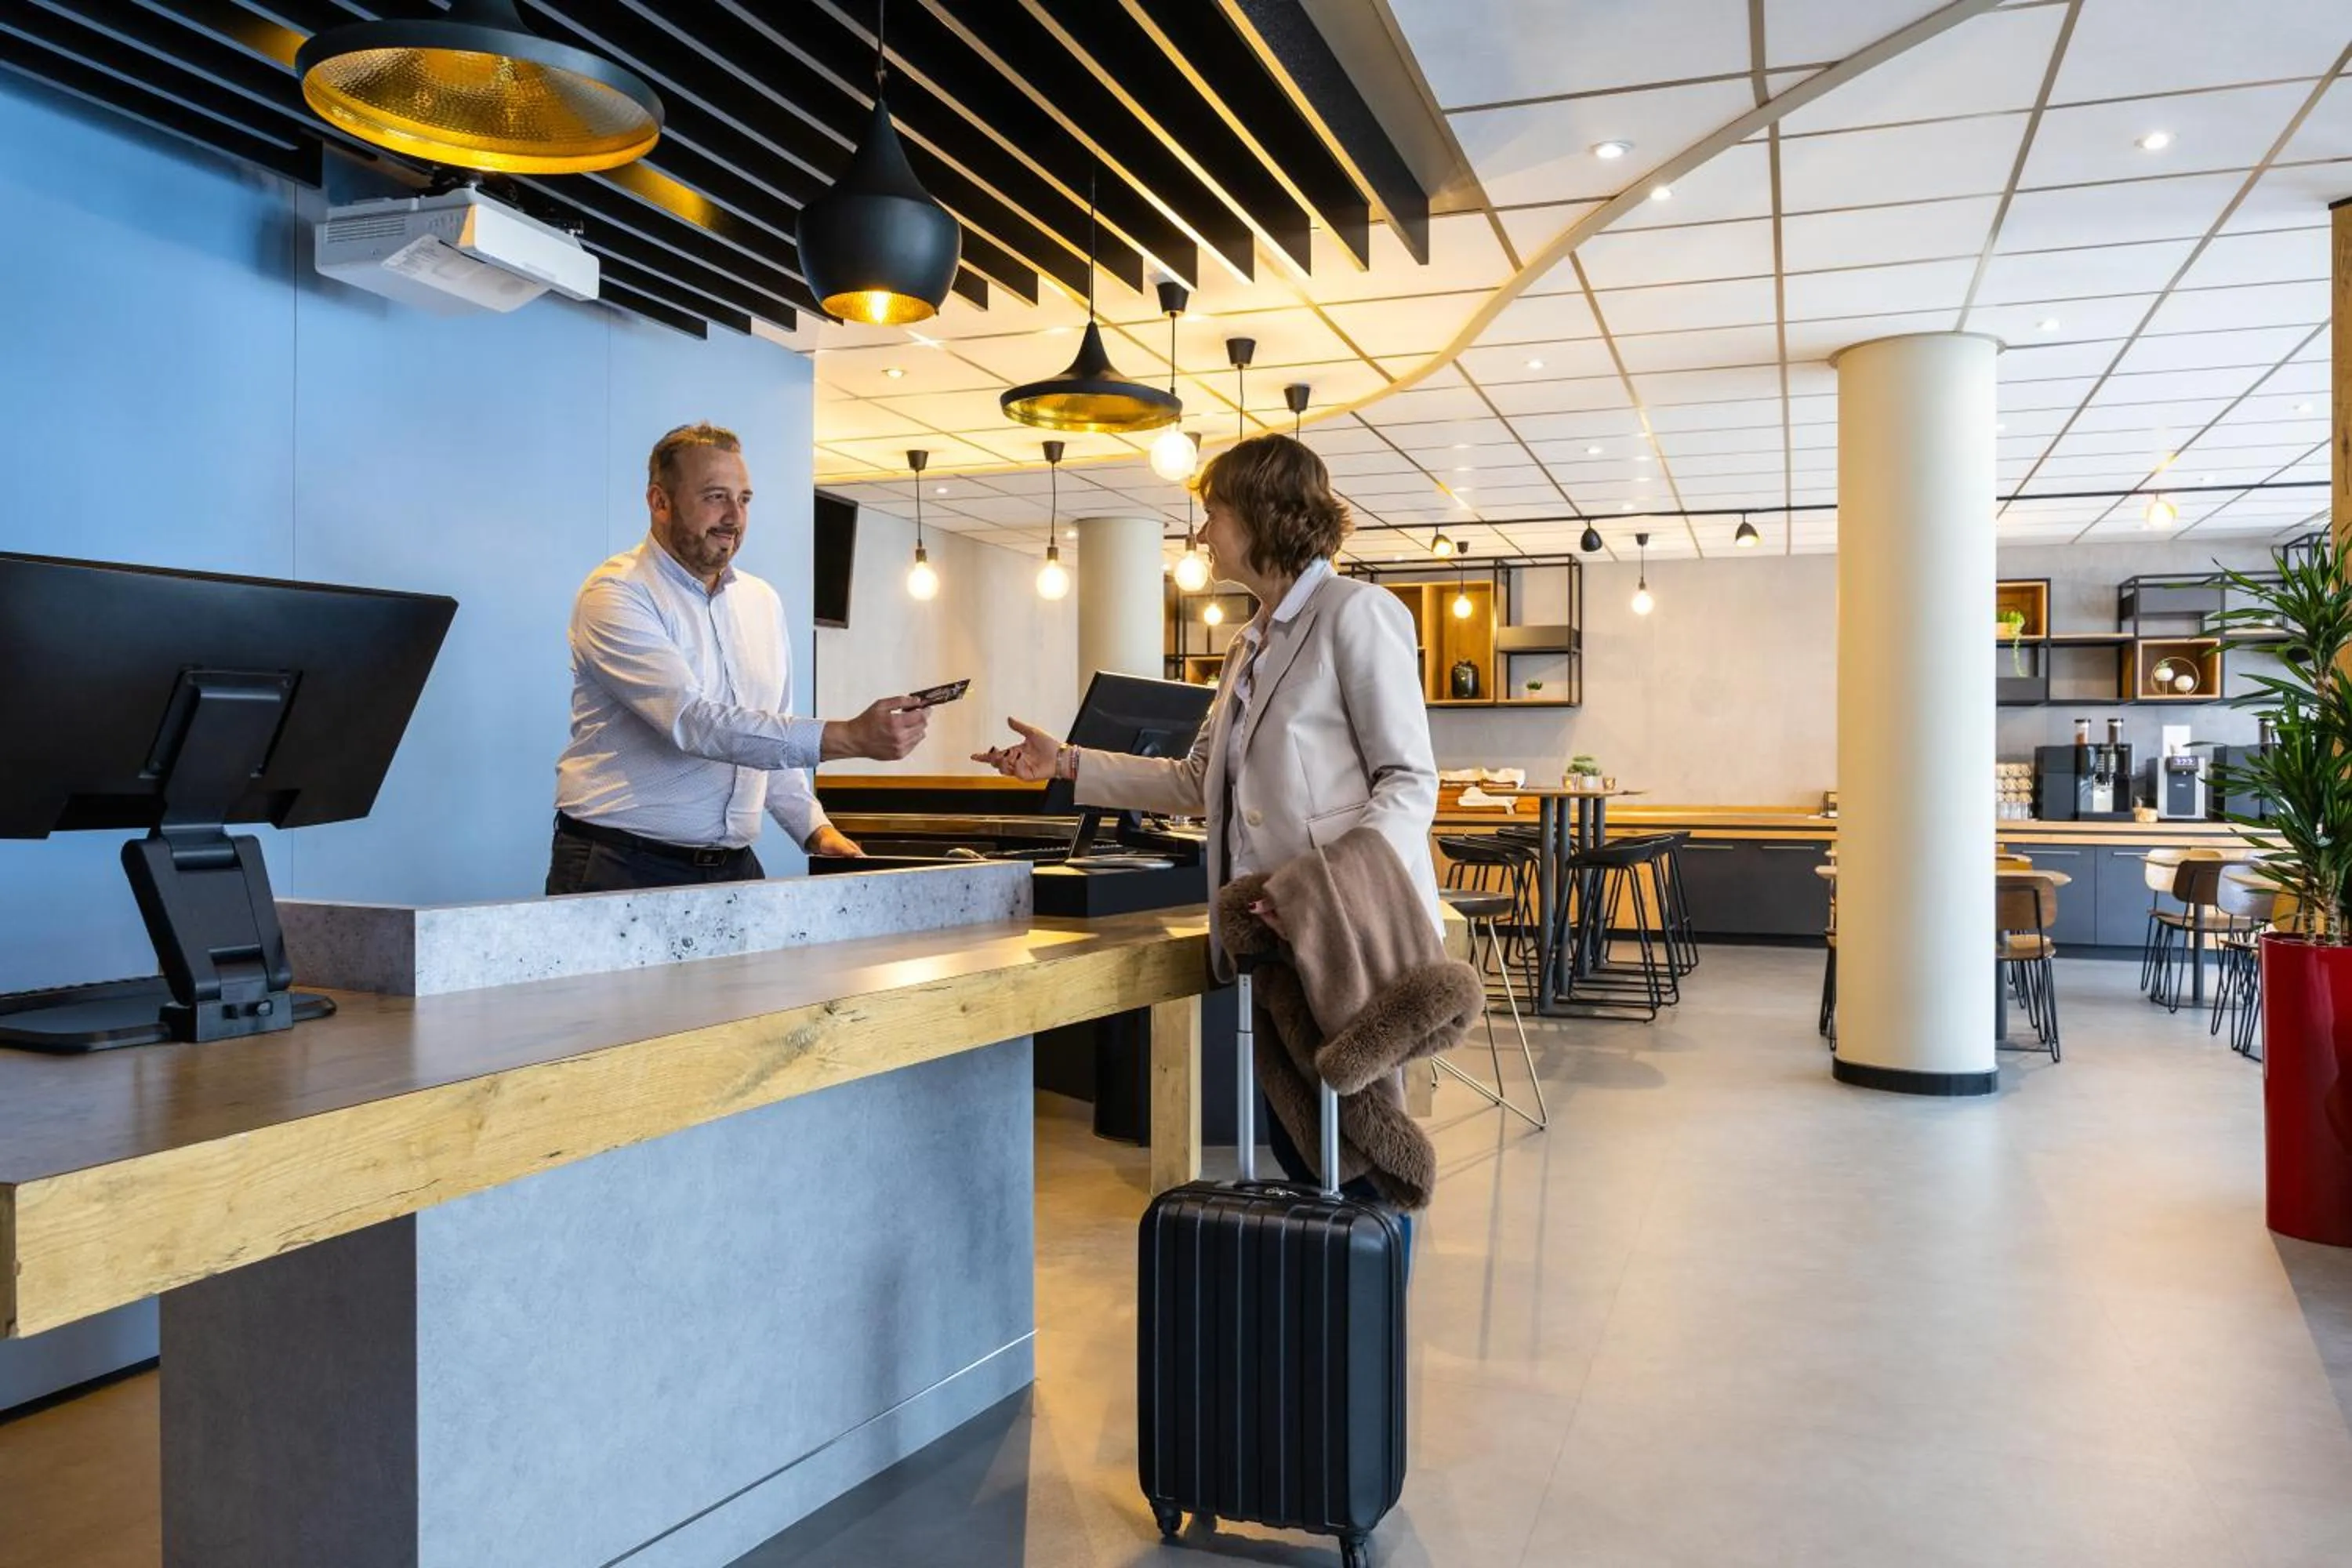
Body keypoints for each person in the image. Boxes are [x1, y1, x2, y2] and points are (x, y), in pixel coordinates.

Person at [975, 432, 1443, 1195]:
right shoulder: (1245, 646)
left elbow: (1408, 781)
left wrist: (1324, 892)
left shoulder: (1357, 613)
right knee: (1304, 1153)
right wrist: (1066, 762)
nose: (1200, 533)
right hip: (1270, 940)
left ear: (1263, 513)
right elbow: (1199, 781)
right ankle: (1319, 1305)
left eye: (1212, 512)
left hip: (1342, 934)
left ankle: (1366, 1304)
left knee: (1364, 1154)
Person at [548, 423, 927, 895]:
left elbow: (768, 737)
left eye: (744, 499)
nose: (733, 516)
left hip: (734, 869)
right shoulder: (616, 593)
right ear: (659, 502)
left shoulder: (761, 601)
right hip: (621, 864)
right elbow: (694, 723)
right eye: (714, 497)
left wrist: (815, 830)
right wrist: (848, 736)